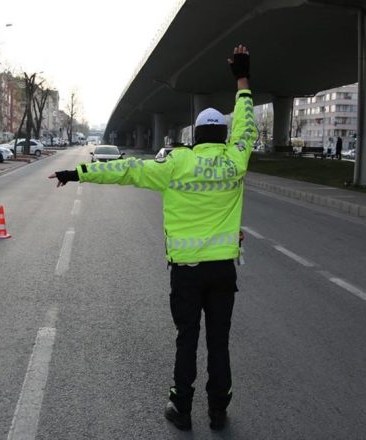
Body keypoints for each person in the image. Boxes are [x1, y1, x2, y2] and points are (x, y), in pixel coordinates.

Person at [50, 45, 256, 432]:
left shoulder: (175, 162)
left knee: (186, 339)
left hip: (187, 273)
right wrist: (242, 80)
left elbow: (125, 170)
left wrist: (77, 173)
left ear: (195, 135)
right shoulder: (235, 160)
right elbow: (247, 125)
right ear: (224, 136)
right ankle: (217, 410)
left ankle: (181, 408)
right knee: (219, 343)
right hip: (223, 271)